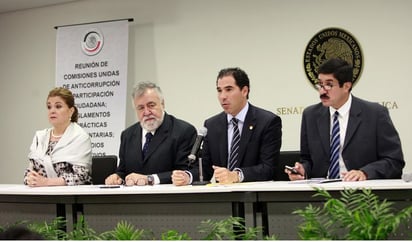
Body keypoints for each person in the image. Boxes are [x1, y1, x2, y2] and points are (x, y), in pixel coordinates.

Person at [286, 58, 405, 181]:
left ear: (346, 86)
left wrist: (365, 173)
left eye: (329, 85)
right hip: (321, 194)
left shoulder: (375, 114)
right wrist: (303, 170)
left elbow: (394, 161)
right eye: (320, 84)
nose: (322, 91)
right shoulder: (310, 115)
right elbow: (308, 160)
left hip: (362, 193)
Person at [172, 67, 282, 185]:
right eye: (219, 90)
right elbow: (206, 168)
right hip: (223, 197)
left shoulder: (267, 122)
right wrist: (187, 176)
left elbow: (268, 168)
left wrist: (236, 175)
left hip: (256, 195)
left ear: (244, 91)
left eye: (229, 89)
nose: (223, 96)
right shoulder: (212, 125)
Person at [105, 82, 197, 186]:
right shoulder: (127, 135)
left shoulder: (183, 131)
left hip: (168, 199)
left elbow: (183, 173)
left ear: (162, 104)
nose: (147, 112)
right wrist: (117, 177)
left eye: (151, 105)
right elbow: (123, 171)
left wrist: (150, 179)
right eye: (141, 108)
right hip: (133, 200)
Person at [24, 87, 92, 187]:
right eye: (49, 107)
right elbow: (29, 172)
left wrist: (47, 182)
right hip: (40, 196)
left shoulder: (80, 137)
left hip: (70, 198)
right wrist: (30, 179)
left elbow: (82, 177)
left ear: (71, 111)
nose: (52, 111)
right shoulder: (40, 137)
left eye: (58, 106)